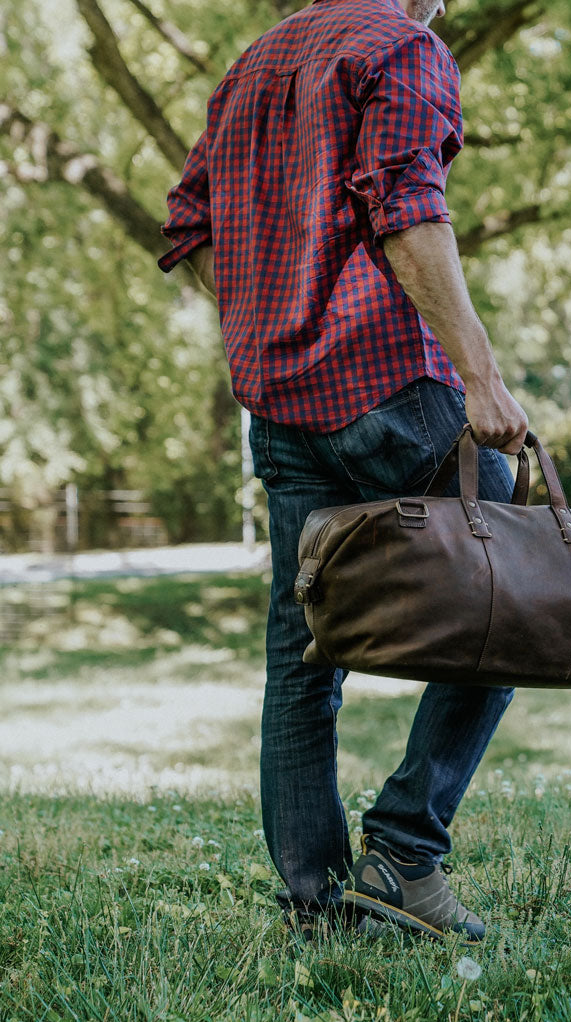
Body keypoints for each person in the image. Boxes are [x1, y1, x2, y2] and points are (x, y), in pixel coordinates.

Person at [157, 0, 529, 944]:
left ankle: (316, 906)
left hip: (279, 405)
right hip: (387, 387)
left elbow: (191, 228)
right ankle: (404, 853)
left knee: (303, 656)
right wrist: (481, 379)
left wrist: (269, 318)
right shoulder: (402, 44)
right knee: (515, 597)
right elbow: (408, 205)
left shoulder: (250, 66)